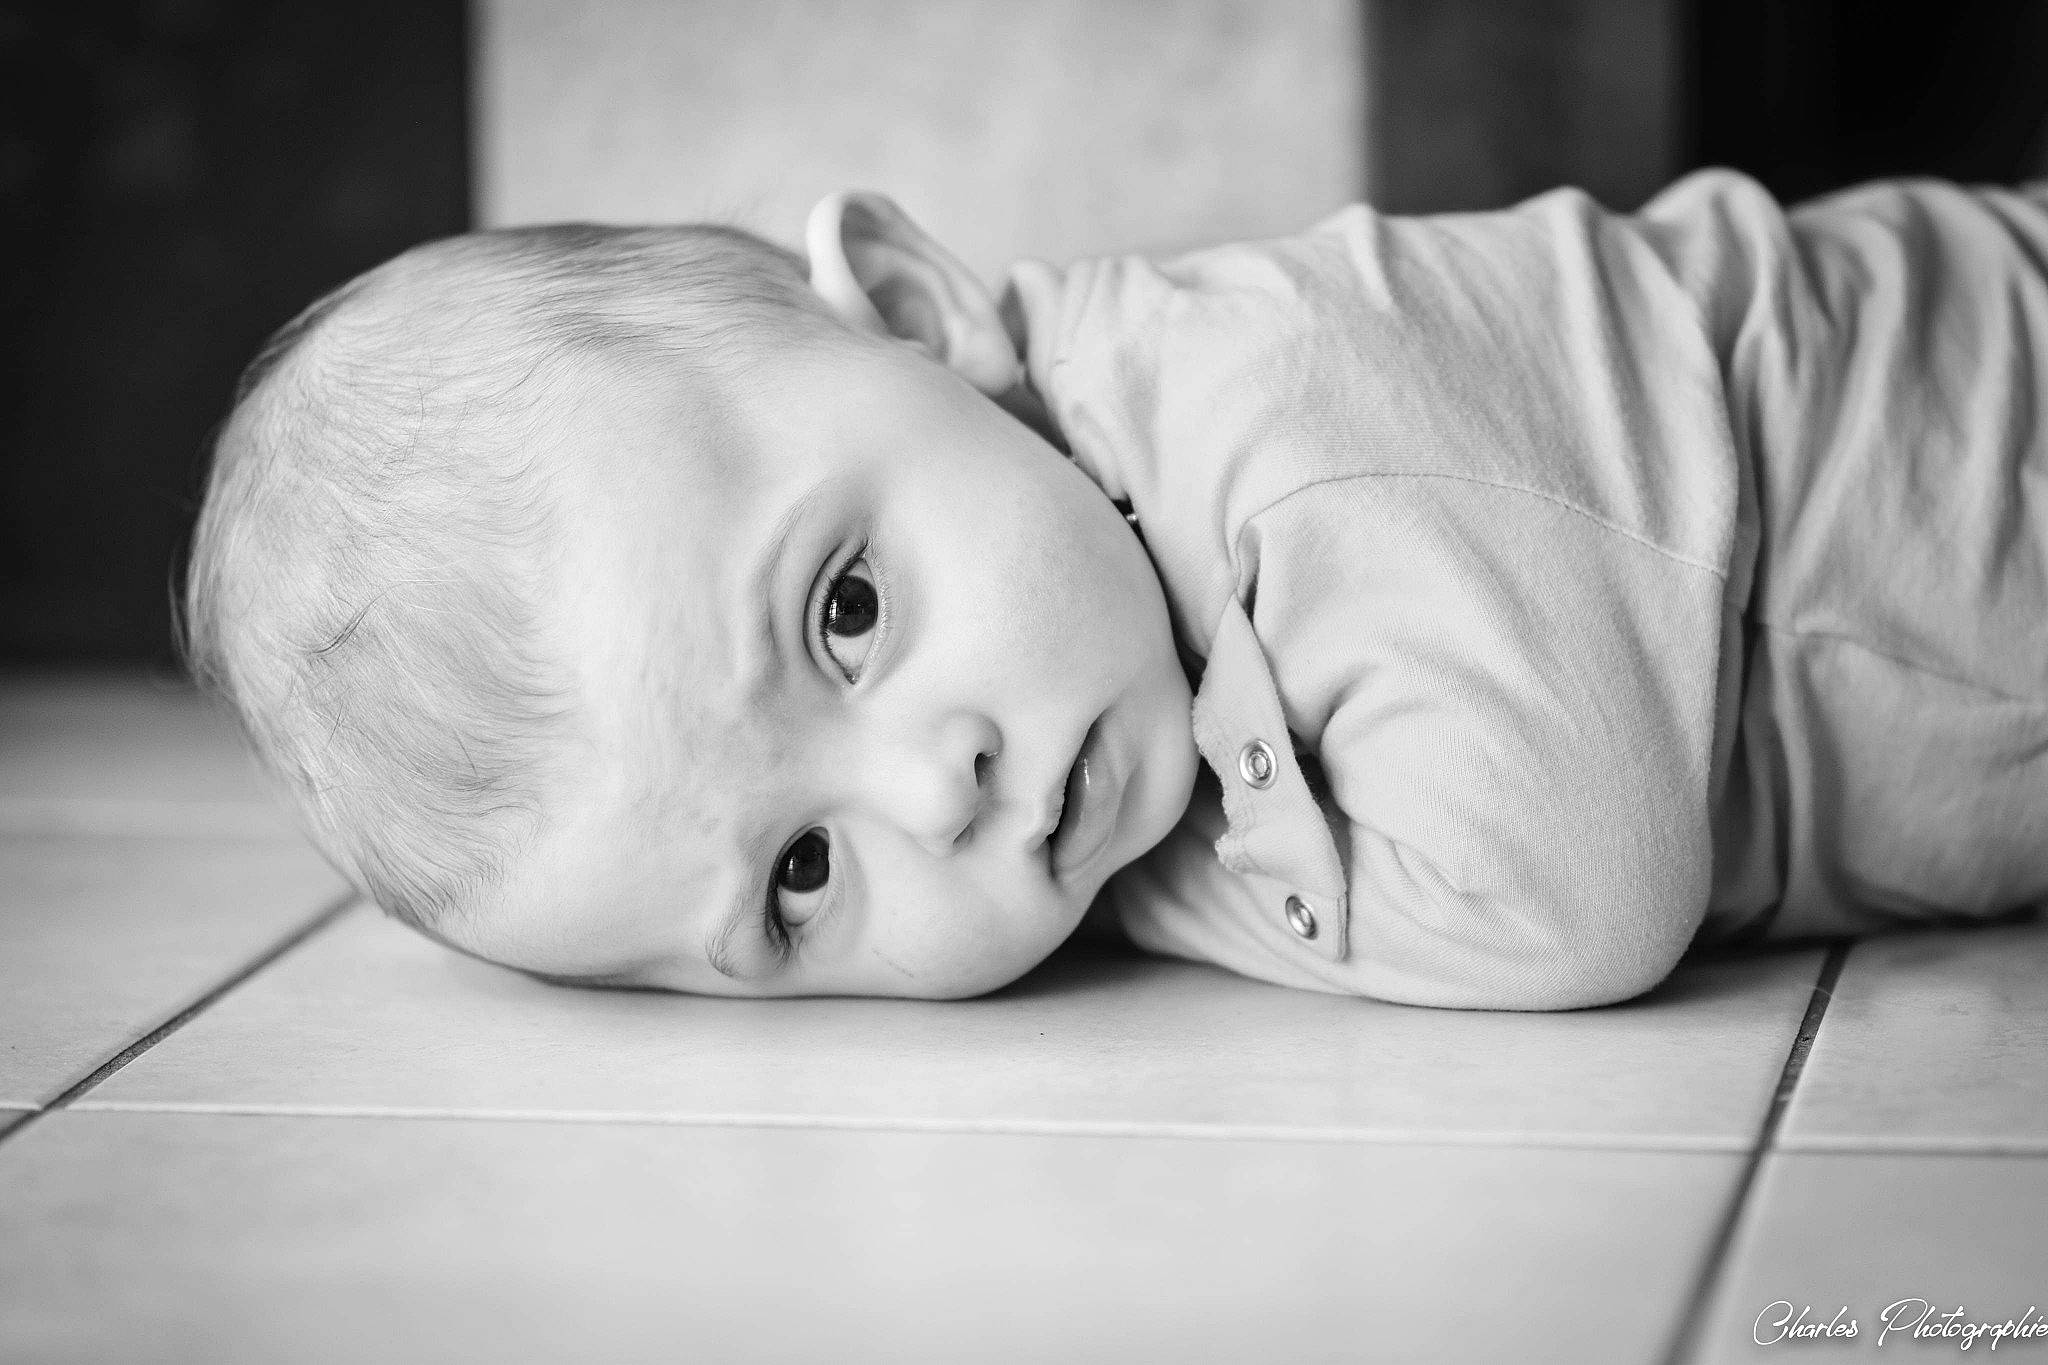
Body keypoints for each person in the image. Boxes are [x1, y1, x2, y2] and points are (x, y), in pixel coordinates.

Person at [183, 168, 2048, 1009]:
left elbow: (1581, 887)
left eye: (845, 612)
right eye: (799, 878)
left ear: (918, 319)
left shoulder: (1289, 401)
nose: (936, 789)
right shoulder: (1100, 628)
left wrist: (1161, 888)